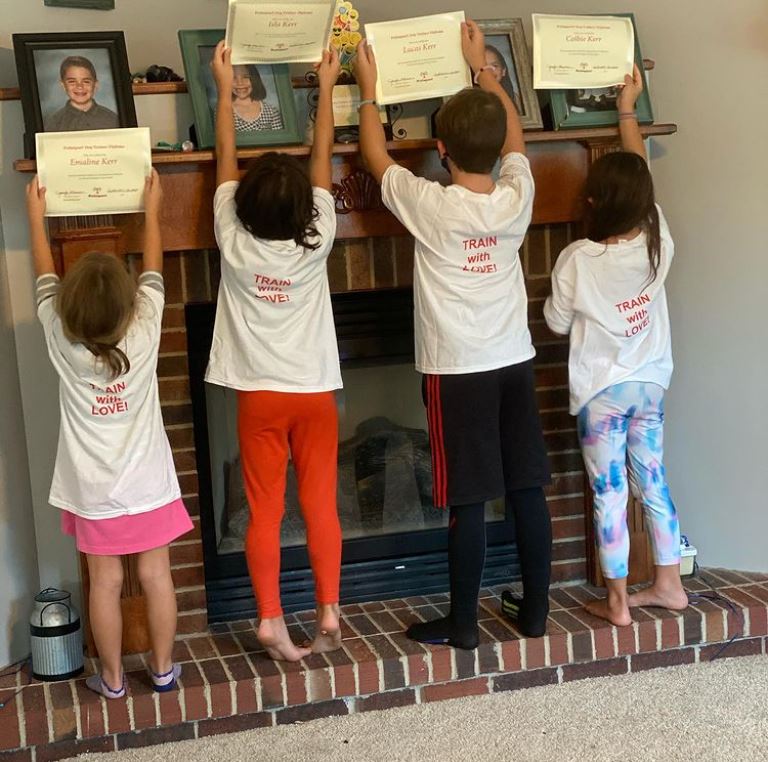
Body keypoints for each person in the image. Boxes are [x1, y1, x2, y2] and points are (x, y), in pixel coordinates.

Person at [355, 20, 553, 649]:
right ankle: (537, 613)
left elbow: (374, 157)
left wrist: (367, 90)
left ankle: (464, 624)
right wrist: (485, 72)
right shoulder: (516, 196)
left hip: (456, 369)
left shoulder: (433, 205)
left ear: (441, 150)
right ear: (496, 151)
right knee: (526, 485)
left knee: (466, 499)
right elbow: (516, 139)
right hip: (513, 362)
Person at [26, 170, 192, 699]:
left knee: (106, 583)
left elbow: (43, 273)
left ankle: (114, 679)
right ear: (127, 305)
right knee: (156, 576)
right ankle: (163, 671)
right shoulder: (144, 328)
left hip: (93, 490)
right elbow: (153, 266)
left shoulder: (59, 335)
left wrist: (35, 212)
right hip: (147, 482)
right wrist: (152, 209)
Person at [207, 40, 343, 661]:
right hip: (314, 392)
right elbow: (321, 161)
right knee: (320, 501)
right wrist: (326, 85)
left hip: (259, 396)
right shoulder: (317, 241)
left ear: (244, 207)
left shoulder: (232, 240)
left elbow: (225, 162)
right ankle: (330, 604)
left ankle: (268, 617)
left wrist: (219, 88)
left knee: (265, 510)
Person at [544, 65, 688, 627]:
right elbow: (641, 177)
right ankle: (671, 585)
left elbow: (557, 324)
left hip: (603, 395)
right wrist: (628, 111)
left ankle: (619, 602)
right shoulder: (658, 241)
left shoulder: (578, 260)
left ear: (596, 202)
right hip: (650, 385)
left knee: (608, 494)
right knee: (652, 480)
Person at [44, 55, 119, 132]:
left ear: (96, 85)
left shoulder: (113, 119)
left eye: (86, 81)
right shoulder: (54, 123)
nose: (79, 86)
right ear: (63, 85)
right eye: (72, 82)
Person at [230, 64, 283, 132]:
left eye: (246, 77)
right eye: (233, 77)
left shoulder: (271, 112)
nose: (240, 83)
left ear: (255, 79)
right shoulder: (224, 111)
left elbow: (280, 139)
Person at [483, 44, 523, 114]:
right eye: (484, 66)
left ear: (503, 71)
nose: (490, 70)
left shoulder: (514, 97)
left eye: (495, 66)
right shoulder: (474, 100)